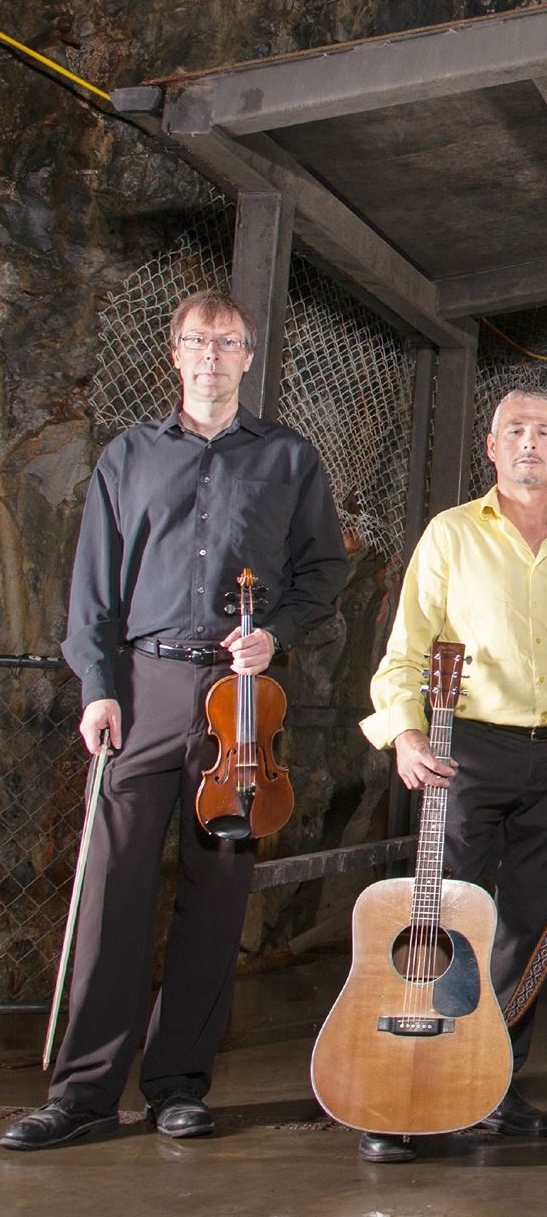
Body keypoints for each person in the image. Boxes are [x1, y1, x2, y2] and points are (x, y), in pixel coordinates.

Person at [3, 291, 349, 1153]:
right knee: (113, 891)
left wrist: (278, 633)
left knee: (216, 896)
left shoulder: (290, 459)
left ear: (247, 356)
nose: (211, 357)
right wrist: (98, 687)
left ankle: (179, 1087)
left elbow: (323, 572)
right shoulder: (127, 456)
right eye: (197, 341)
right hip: (144, 688)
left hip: (238, 706)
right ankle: (82, 1094)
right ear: (175, 352)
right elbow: (93, 588)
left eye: (228, 344)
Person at [358, 387, 547, 1163]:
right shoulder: (449, 535)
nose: (529, 443)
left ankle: (491, 1081)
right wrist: (404, 733)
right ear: (490, 448)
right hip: (465, 750)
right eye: (515, 431)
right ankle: (413, 1079)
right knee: (445, 914)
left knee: (528, 924)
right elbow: (405, 652)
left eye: (544, 432)